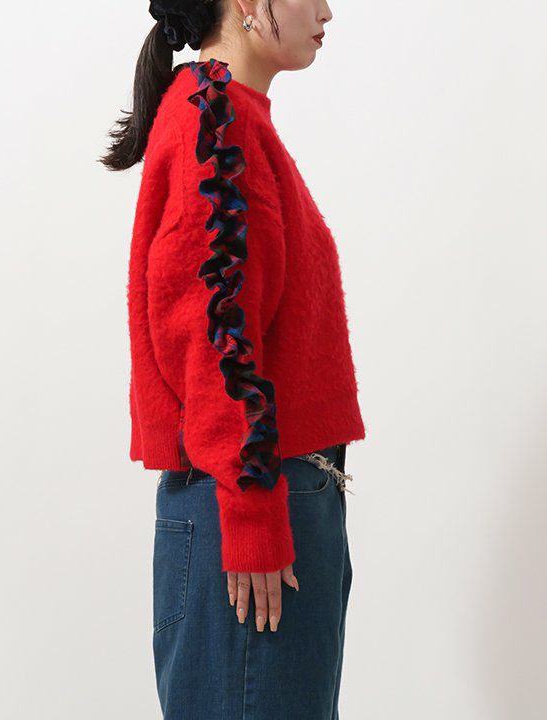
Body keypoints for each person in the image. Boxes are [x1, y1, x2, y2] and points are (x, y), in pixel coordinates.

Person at [101, 1, 366, 717]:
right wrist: (252, 516)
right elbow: (212, 334)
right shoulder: (214, 120)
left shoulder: (227, 114)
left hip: (271, 496)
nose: (327, 11)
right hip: (249, 503)